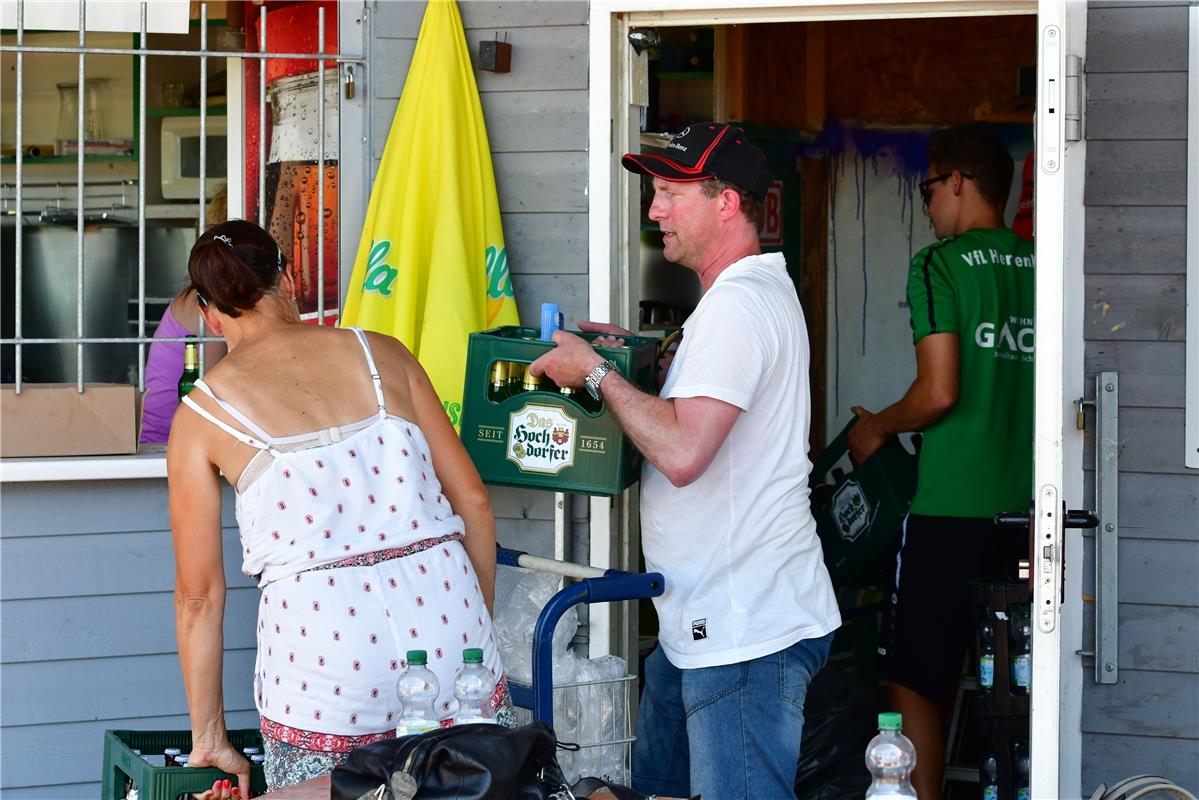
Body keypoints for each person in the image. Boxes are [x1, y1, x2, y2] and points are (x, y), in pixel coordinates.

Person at [529, 122, 841, 800]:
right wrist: (630, 360)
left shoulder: (735, 307)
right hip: (702, 619)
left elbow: (681, 451)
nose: (653, 211)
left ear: (726, 202)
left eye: (669, 192)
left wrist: (593, 375)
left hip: (741, 628)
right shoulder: (743, 296)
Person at [167, 220, 512, 795]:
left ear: (211, 314)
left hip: (325, 662)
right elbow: (472, 501)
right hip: (449, 624)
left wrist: (209, 734)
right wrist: (468, 636)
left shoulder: (201, 417)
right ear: (291, 278)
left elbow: (199, 596)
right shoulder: (382, 355)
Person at [847, 126, 1034, 799]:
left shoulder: (939, 264)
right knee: (1016, 685)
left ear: (957, 180)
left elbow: (938, 392)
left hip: (948, 508)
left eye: (926, 189)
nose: (925, 204)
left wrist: (877, 429)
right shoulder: (1043, 264)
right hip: (1030, 517)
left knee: (913, 678)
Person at [139, 287, 227, 444]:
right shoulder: (207, 302)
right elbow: (214, 397)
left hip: (184, 438)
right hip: (165, 444)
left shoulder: (213, 296)